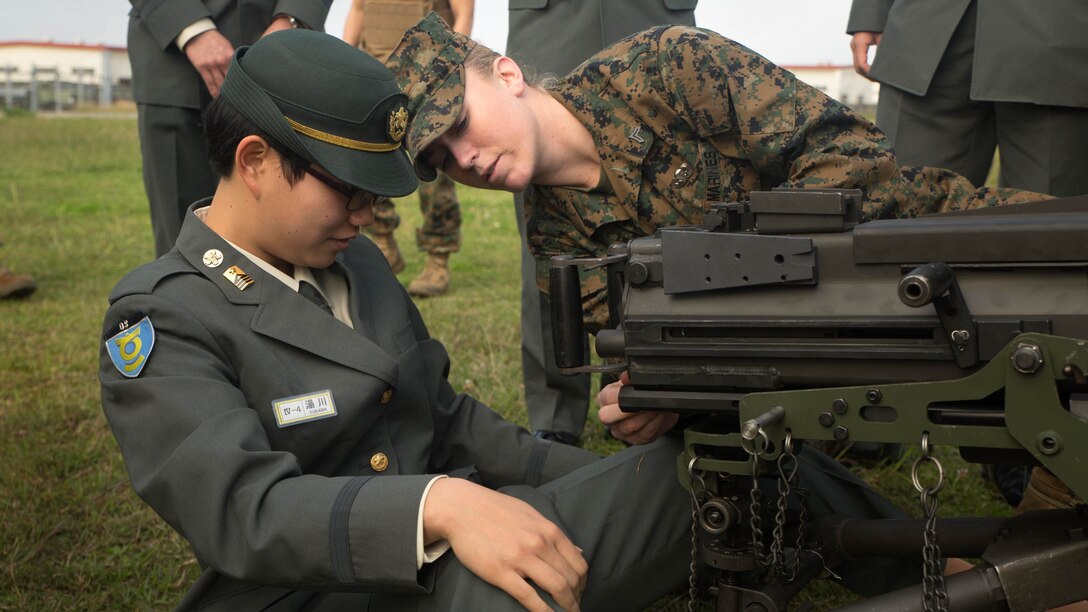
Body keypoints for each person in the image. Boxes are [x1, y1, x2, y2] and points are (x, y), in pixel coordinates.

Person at [101, 28, 939, 611]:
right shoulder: (162, 317)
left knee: (718, 456)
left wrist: (584, 482)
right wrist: (442, 509)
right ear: (255, 162)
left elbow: (449, 421)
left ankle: (942, 564)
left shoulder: (351, 262)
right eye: (347, 188)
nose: (367, 213)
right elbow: (243, 512)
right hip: (333, 593)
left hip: (468, 553)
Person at [387, 13, 1047, 335]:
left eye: (459, 123)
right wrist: (642, 405)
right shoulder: (555, 241)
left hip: (941, 252)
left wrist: (735, 268)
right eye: (442, 160)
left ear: (507, 74)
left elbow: (853, 160)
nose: (465, 159)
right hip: (818, 348)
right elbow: (637, 345)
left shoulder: (668, 69)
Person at [506, 0, 697, 445]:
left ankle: (652, 391)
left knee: (668, 217)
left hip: (652, 14)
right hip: (549, 23)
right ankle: (555, 411)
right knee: (550, 241)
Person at [127, 0, 333, 258]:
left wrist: (292, 18)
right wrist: (192, 29)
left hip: (284, 61)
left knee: (290, 240)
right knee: (181, 249)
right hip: (174, 62)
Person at [847, 0, 1088, 197]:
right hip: (920, 34)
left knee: (1049, 227)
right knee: (902, 211)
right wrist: (871, 10)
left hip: (1060, 35)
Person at [343, 0, 474, 296]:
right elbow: (360, 10)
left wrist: (451, 65)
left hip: (426, 74)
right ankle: (384, 243)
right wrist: (345, 60)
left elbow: (464, 12)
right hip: (374, 68)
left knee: (434, 172)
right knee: (367, 162)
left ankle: (438, 260)